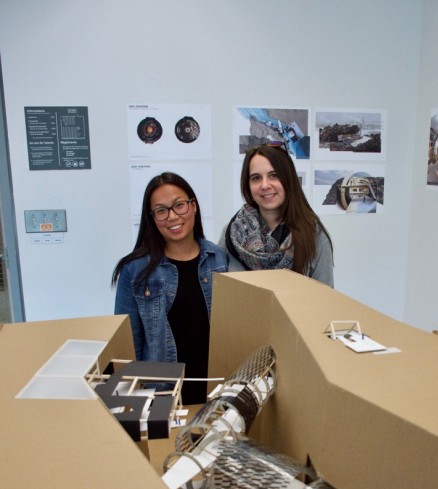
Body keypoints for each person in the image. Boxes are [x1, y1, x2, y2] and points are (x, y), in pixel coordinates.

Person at [112, 172, 228, 405]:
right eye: (161, 210)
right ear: (152, 218)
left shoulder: (218, 258)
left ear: (193, 206)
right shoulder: (134, 269)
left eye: (179, 205)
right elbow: (128, 347)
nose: (172, 216)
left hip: (216, 388)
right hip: (162, 396)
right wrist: (128, 406)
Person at [219, 143, 334, 286]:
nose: (265, 185)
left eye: (273, 175)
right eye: (256, 178)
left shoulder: (314, 236)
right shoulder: (233, 234)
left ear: (288, 179)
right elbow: (220, 292)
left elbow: (325, 297)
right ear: (247, 185)